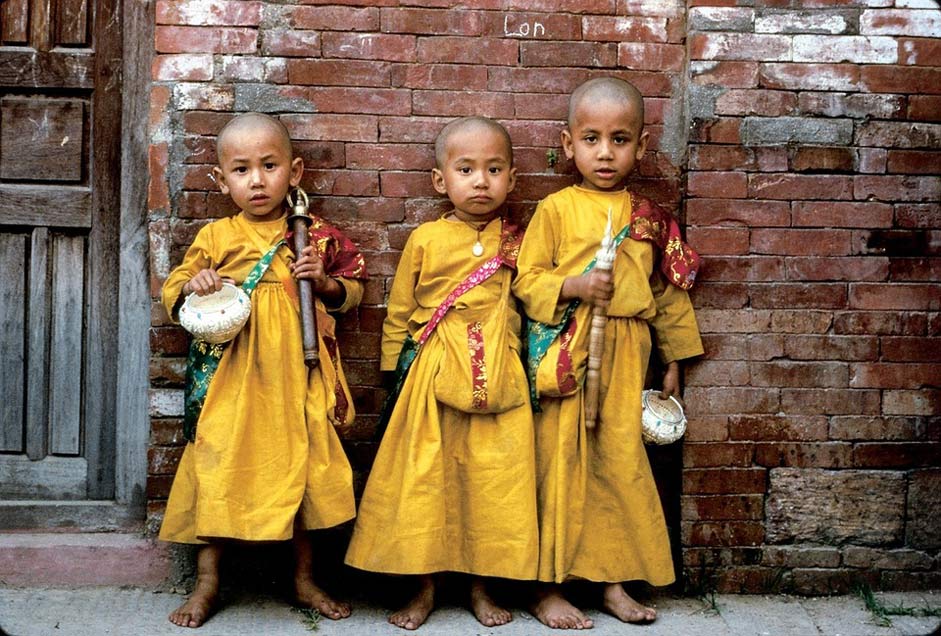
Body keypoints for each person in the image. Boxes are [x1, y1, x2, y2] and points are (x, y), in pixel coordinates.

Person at [159, 112, 367, 628]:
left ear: (294, 172)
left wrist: (323, 283)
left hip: (297, 373)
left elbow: (352, 291)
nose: (257, 180)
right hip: (234, 379)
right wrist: (197, 281)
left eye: (269, 166)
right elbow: (175, 285)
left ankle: (303, 580)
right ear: (222, 178)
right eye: (242, 170)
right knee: (219, 465)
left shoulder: (312, 236)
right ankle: (207, 583)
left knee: (301, 469)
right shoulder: (217, 234)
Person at [512, 77, 703, 629]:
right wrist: (572, 287)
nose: (604, 151)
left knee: (618, 466)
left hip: (626, 352)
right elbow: (527, 282)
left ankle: (614, 583)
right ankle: (547, 587)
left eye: (620, 139)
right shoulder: (555, 209)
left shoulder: (649, 218)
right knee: (558, 465)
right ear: (568, 143)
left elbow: (668, 292)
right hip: (568, 354)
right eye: (591, 138)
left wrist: (673, 358)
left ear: (641, 146)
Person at [344, 117, 538, 630]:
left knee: (492, 482)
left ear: (512, 180)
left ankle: (481, 588)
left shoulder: (520, 242)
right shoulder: (426, 239)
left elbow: (536, 304)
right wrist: (393, 372)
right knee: (427, 483)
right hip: (431, 372)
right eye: (467, 169)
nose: (481, 181)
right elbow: (402, 312)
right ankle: (423, 589)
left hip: (501, 373)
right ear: (440, 180)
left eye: (494, 170)